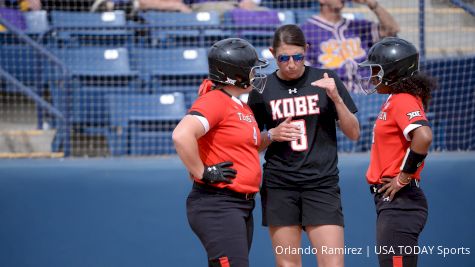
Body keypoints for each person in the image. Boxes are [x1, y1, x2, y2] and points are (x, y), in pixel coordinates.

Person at [247, 24, 360, 267]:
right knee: (288, 264)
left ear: (306, 50)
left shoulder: (326, 79)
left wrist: (337, 99)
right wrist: (271, 135)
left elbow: (354, 133)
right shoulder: (261, 88)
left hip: (321, 183)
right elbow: (250, 144)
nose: (291, 64)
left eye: (298, 56)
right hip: (280, 185)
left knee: (332, 263)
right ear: (272, 53)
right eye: (283, 58)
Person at [172, 38, 268, 267]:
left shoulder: (240, 105)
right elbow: (181, 135)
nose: (256, 74)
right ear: (235, 74)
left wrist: (272, 135)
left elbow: (243, 147)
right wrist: (202, 171)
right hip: (218, 204)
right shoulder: (216, 100)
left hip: (240, 204)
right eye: (251, 69)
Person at [357, 37, 436, 267]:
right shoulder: (395, 99)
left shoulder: (403, 99)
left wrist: (403, 177)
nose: (372, 76)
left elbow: (424, 136)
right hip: (392, 202)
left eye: (376, 70)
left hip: (401, 201)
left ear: (394, 71)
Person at [301, 0, 399, 93]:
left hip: (367, 94)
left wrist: (372, 4)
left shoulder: (357, 26)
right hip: (333, 96)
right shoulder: (307, 31)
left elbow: (392, 30)